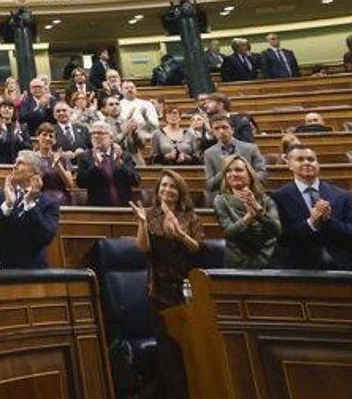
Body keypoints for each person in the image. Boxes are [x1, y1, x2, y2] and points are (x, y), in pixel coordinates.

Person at [130, 170, 204, 399]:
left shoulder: (190, 217)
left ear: (180, 192)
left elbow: (199, 250)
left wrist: (181, 234)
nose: (167, 190)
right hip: (158, 289)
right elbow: (143, 248)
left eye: (172, 186)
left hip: (186, 289)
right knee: (167, 351)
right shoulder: (150, 214)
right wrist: (142, 224)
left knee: (186, 348)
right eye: (163, 186)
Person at [271, 145, 352, 270]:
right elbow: (282, 239)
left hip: (340, 265)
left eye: (311, 159)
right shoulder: (279, 197)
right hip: (299, 268)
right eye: (300, 159)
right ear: (290, 165)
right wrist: (311, 223)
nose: (307, 163)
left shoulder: (342, 195)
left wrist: (328, 221)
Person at [0, 151, 61, 269]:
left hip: (35, 270)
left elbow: (45, 237)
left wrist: (30, 204)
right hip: (5, 270)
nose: (14, 166)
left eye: (20, 163)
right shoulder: (3, 196)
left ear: (34, 172)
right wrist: (7, 205)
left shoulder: (49, 202)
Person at [212, 156, 280, 268]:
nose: (233, 174)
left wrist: (259, 211)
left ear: (250, 173)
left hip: (267, 260)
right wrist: (248, 217)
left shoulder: (267, 200)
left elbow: (277, 230)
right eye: (228, 171)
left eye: (238, 170)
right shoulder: (220, 201)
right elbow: (229, 233)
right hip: (237, 262)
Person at [75, 128, 139, 208]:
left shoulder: (124, 155)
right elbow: (81, 183)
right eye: (93, 133)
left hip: (123, 207)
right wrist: (95, 166)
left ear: (111, 139)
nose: (96, 136)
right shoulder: (85, 157)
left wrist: (121, 164)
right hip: (97, 209)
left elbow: (136, 181)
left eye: (100, 133)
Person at [201, 114, 265, 192]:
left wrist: (244, 179)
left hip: (249, 191)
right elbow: (209, 184)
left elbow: (262, 175)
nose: (221, 131)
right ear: (213, 132)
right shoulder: (209, 153)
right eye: (216, 129)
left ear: (232, 129)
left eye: (225, 127)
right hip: (224, 195)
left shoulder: (251, 148)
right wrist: (224, 171)